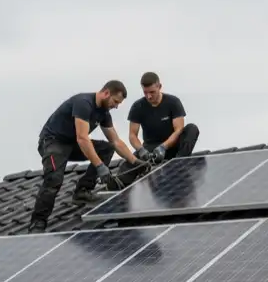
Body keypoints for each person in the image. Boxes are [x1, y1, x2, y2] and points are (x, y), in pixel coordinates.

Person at [28, 80, 147, 234]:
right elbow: (82, 138)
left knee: (106, 148)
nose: (116, 106)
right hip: (53, 143)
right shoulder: (83, 103)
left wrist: (135, 161)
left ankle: (83, 191)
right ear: (106, 93)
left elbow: (116, 142)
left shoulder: (104, 113)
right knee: (54, 180)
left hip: (72, 144)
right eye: (115, 101)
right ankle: (38, 222)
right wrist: (100, 166)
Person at [113, 71, 200, 188]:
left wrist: (164, 147)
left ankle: (178, 164)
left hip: (172, 146)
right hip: (151, 149)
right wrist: (141, 150)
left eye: (152, 92)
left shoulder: (173, 102)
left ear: (159, 87)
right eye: (145, 93)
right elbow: (132, 135)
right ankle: (119, 183)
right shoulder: (138, 106)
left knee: (192, 129)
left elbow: (178, 129)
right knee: (128, 165)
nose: (149, 96)